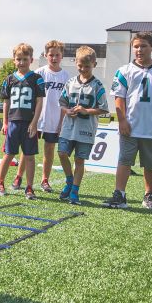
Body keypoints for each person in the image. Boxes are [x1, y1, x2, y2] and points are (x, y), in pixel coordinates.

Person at [105, 32, 152, 209]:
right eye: (136, 46)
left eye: (143, 46)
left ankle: (149, 195)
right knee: (124, 160)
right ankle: (120, 194)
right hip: (131, 125)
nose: (139, 49)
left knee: (151, 164)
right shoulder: (124, 70)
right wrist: (122, 120)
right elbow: (119, 97)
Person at [57, 46, 108, 205]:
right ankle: (69, 180)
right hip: (68, 128)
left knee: (79, 160)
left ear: (94, 64)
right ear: (75, 63)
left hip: (86, 130)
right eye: (80, 65)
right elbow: (62, 103)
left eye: (87, 66)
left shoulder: (97, 85)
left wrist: (86, 111)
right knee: (62, 153)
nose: (83, 69)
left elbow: (104, 108)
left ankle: (74, 191)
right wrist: (67, 111)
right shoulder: (70, 82)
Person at [0, 43, 45, 200]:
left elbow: (39, 102)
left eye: (25, 59)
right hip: (14, 122)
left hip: (29, 122)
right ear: (13, 60)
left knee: (29, 156)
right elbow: (6, 102)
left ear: (31, 60)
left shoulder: (37, 79)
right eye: (18, 59)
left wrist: (35, 122)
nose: (22, 62)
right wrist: (5, 122)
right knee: (9, 154)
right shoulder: (9, 79)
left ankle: (29, 187)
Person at [35, 40, 73, 193]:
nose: (54, 58)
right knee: (28, 149)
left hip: (54, 120)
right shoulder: (39, 73)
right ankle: (19, 177)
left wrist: (61, 123)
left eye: (57, 55)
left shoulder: (65, 76)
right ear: (45, 55)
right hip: (37, 118)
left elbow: (66, 102)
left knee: (49, 149)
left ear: (62, 56)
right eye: (51, 55)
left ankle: (45, 179)